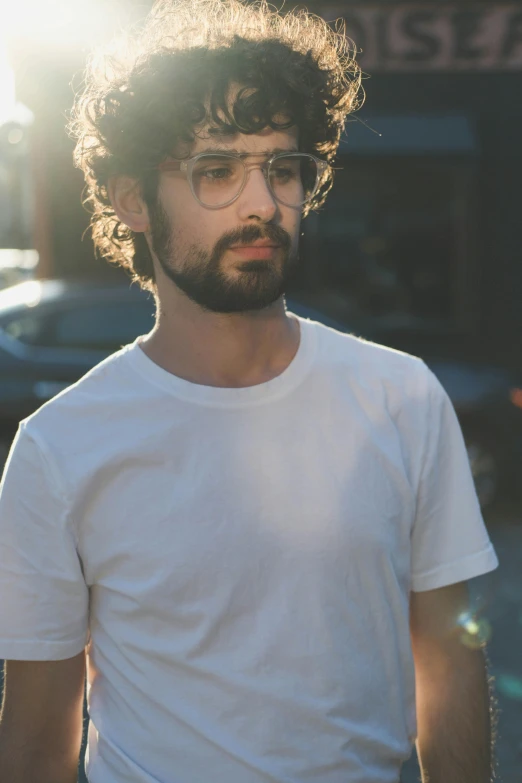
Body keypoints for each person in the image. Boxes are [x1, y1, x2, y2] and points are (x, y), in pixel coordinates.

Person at [0, 1, 498, 781]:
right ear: (132, 199)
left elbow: (451, 658)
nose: (263, 203)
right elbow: (37, 734)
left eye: (285, 169)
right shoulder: (60, 447)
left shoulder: (401, 396)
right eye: (218, 171)